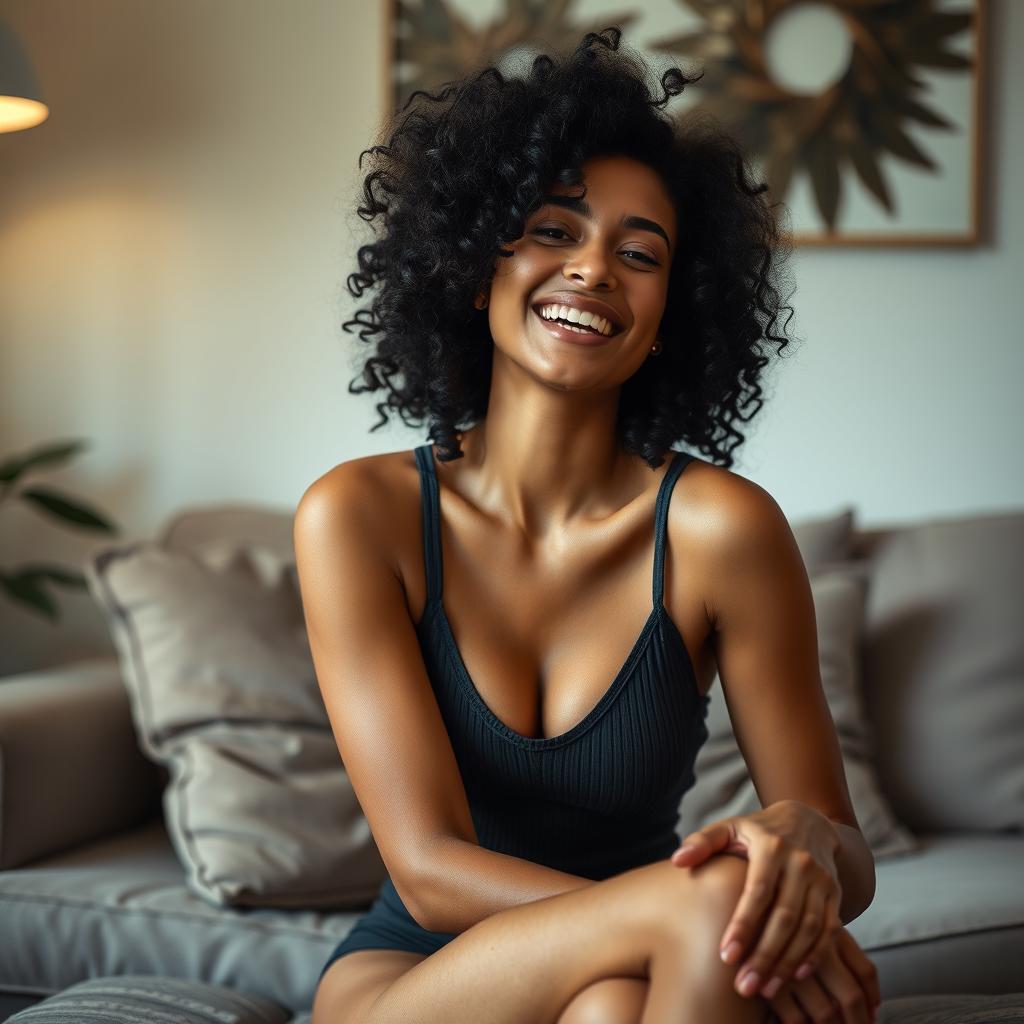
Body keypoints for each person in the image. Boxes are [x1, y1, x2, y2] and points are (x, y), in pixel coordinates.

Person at [294, 26, 880, 1024]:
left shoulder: (721, 531)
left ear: (670, 317)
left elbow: (841, 849)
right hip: (416, 974)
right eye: (555, 230)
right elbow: (432, 869)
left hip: (653, 973)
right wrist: (688, 907)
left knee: (614, 1004)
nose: (595, 269)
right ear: (478, 265)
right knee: (691, 925)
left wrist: (811, 841)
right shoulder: (358, 515)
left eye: (639, 253)